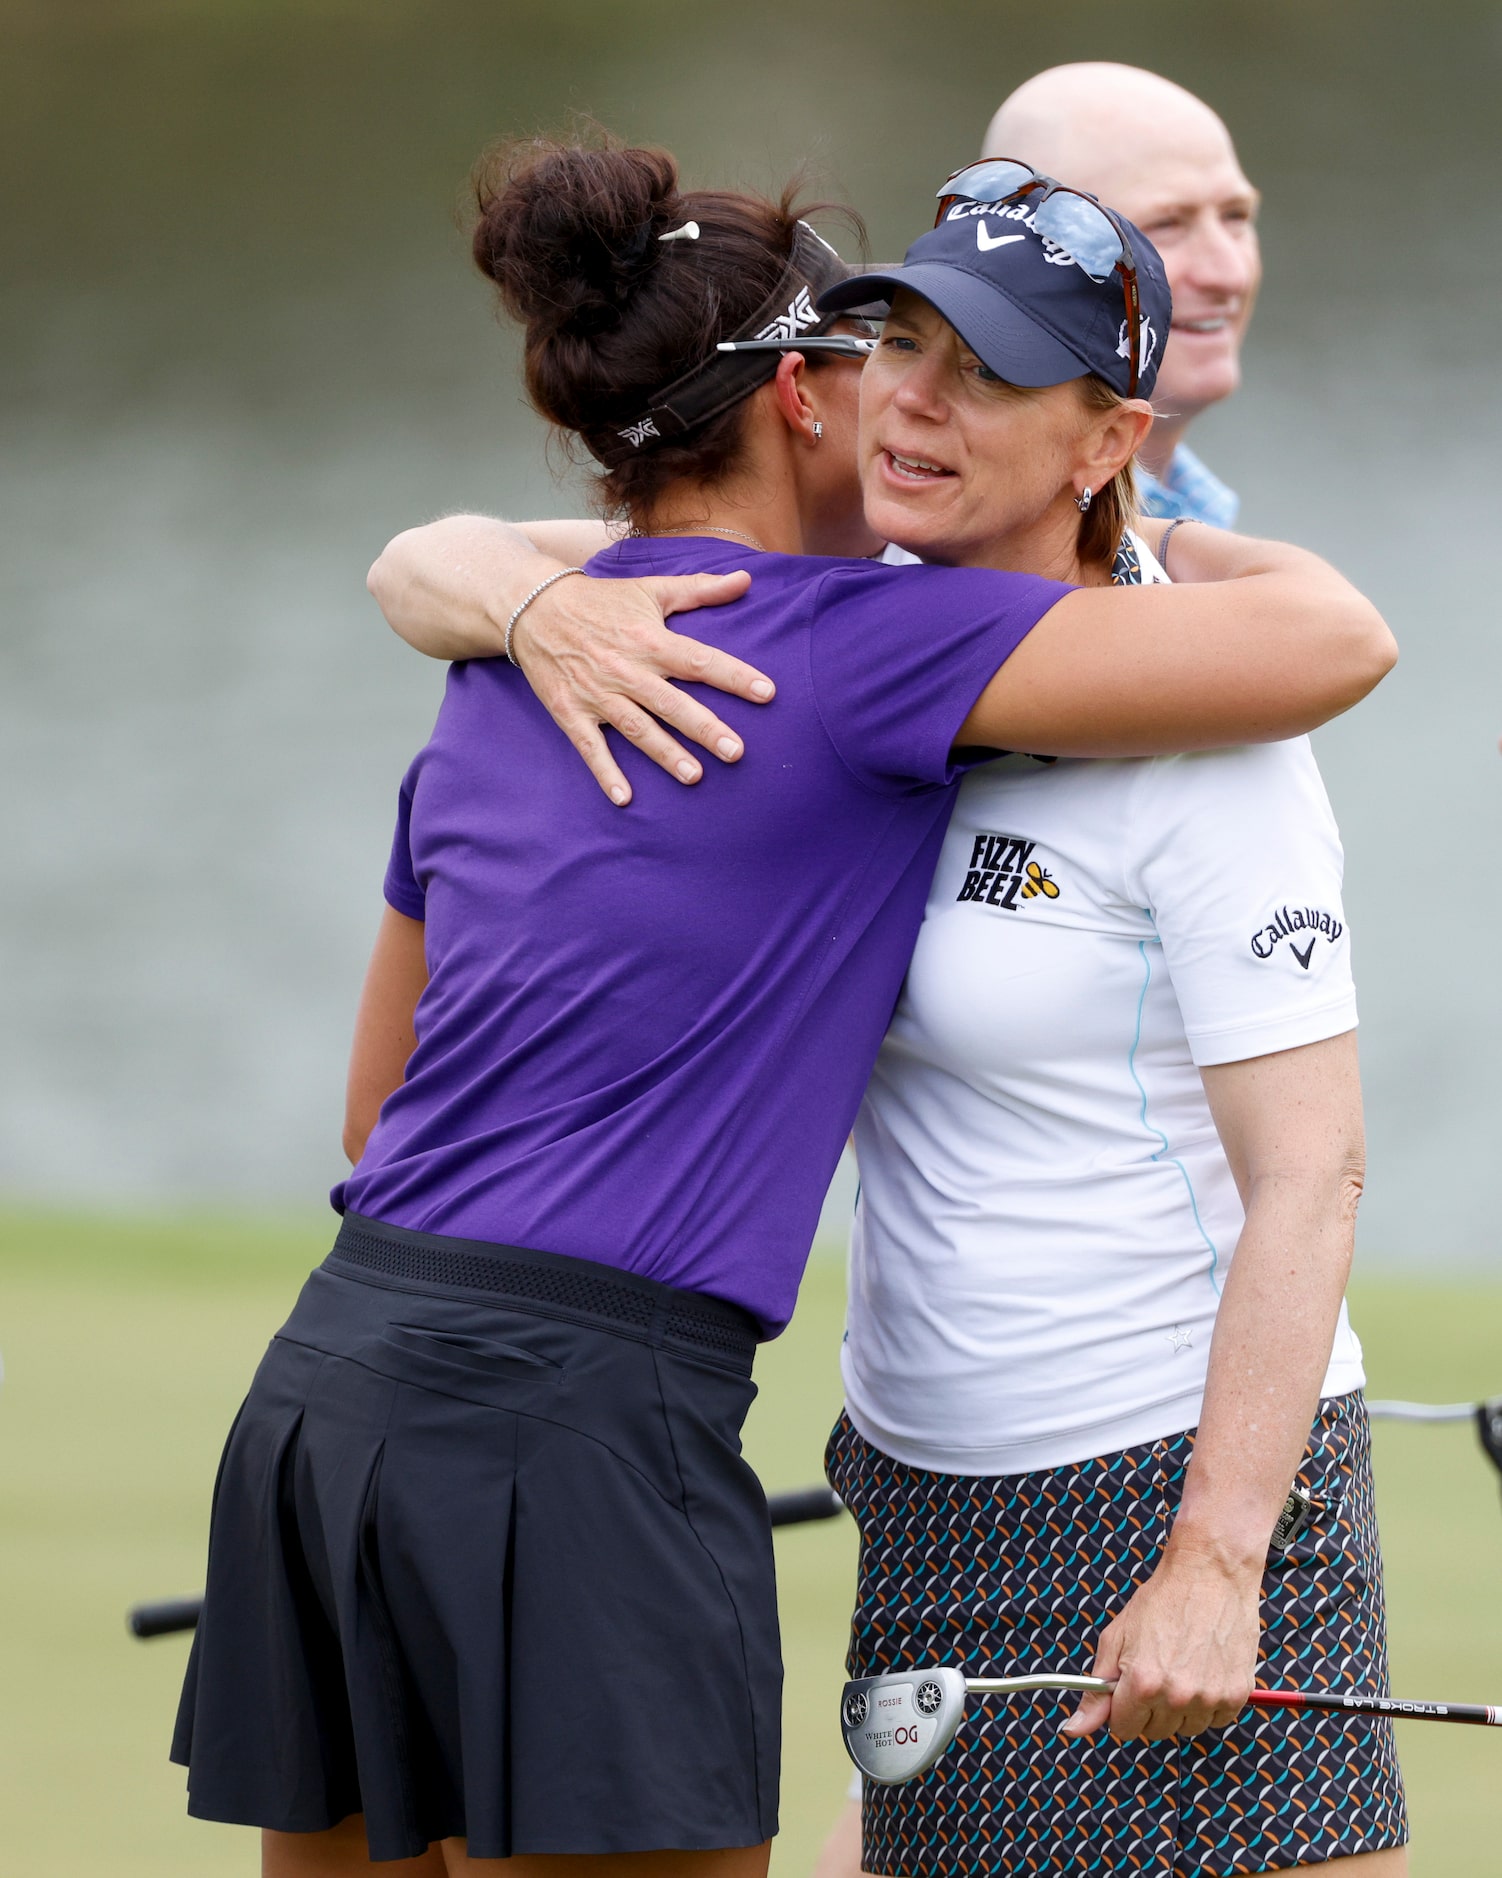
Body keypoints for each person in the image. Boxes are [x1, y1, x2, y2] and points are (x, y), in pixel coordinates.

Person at [195, 133, 1391, 1875]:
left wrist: (515, 595)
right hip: (594, 1429)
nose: (912, 399)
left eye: (977, 372)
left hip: (325, 1400)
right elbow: (1334, 636)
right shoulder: (857, 645)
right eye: (888, 348)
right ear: (806, 399)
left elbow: (375, 1118)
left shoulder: (499, 671)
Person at [982, 61, 1260, 527]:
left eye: (1235, 216)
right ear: (1026, 252)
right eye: (1167, 225)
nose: (1229, 274)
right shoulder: (988, 540)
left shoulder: (1201, 515)